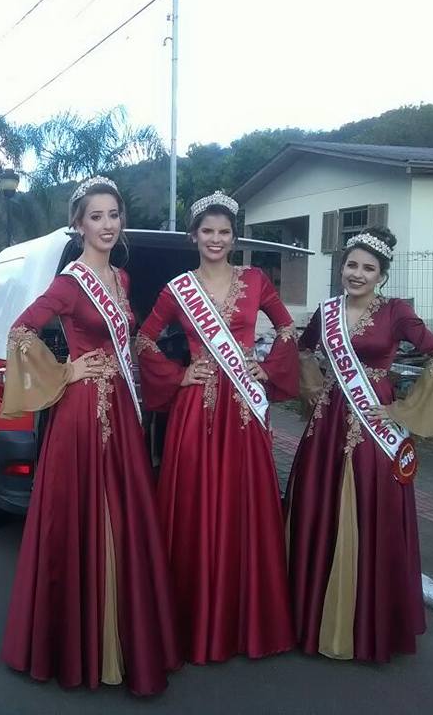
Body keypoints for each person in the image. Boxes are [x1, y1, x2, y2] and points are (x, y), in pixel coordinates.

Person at [0, 176, 180, 696]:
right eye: (96, 216)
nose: (107, 224)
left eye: (113, 214)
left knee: (124, 514)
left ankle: (125, 637)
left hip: (121, 410)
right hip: (81, 414)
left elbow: (132, 339)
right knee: (83, 513)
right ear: (78, 225)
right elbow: (22, 330)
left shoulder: (121, 281)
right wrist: (64, 372)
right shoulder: (69, 283)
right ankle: (76, 642)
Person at [284, 225, 433, 662]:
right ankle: (310, 617)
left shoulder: (396, 311)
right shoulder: (326, 312)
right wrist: (314, 390)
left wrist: (404, 410)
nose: (357, 274)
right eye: (351, 265)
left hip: (373, 424)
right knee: (318, 509)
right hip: (328, 425)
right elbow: (303, 350)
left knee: (373, 513)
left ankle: (371, 623)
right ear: (341, 267)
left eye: (368, 268)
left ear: (382, 276)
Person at [137, 191, 298, 664]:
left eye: (224, 231)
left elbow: (288, 330)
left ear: (235, 236)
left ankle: (246, 619)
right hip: (196, 411)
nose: (215, 239)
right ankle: (193, 620)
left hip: (244, 412)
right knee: (194, 503)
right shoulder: (177, 288)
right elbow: (144, 339)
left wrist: (266, 369)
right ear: (194, 236)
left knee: (244, 505)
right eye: (207, 231)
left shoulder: (256, 280)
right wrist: (180, 373)